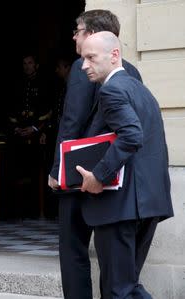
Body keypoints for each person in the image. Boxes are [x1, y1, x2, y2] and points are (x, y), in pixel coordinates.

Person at [47, 10, 143, 299]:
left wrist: (57, 170)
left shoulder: (81, 67)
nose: (74, 36)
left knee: (73, 248)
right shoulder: (131, 71)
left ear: (91, 34)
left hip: (80, 171)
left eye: (78, 30)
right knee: (110, 256)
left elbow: (72, 121)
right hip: (114, 173)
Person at [77, 31, 174, 299]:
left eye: (90, 57)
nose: (84, 65)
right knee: (127, 288)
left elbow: (132, 135)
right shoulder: (140, 89)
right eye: (83, 58)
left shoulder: (111, 89)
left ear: (114, 55)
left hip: (123, 206)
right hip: (147, 202)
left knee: (118, 290)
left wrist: (98, 175)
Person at [7, 53, 51, 219]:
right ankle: (18, 211)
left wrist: (34, 128)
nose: (27, 66)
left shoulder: (44, 84)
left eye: (30, 63)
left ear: (36, 65)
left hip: (37, 135)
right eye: (24, 63)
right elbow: (12, 108)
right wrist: (17, 127)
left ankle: (39, 210)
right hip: (18, 135)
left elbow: (47, 110)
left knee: (37, 173)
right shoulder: (17, 84)